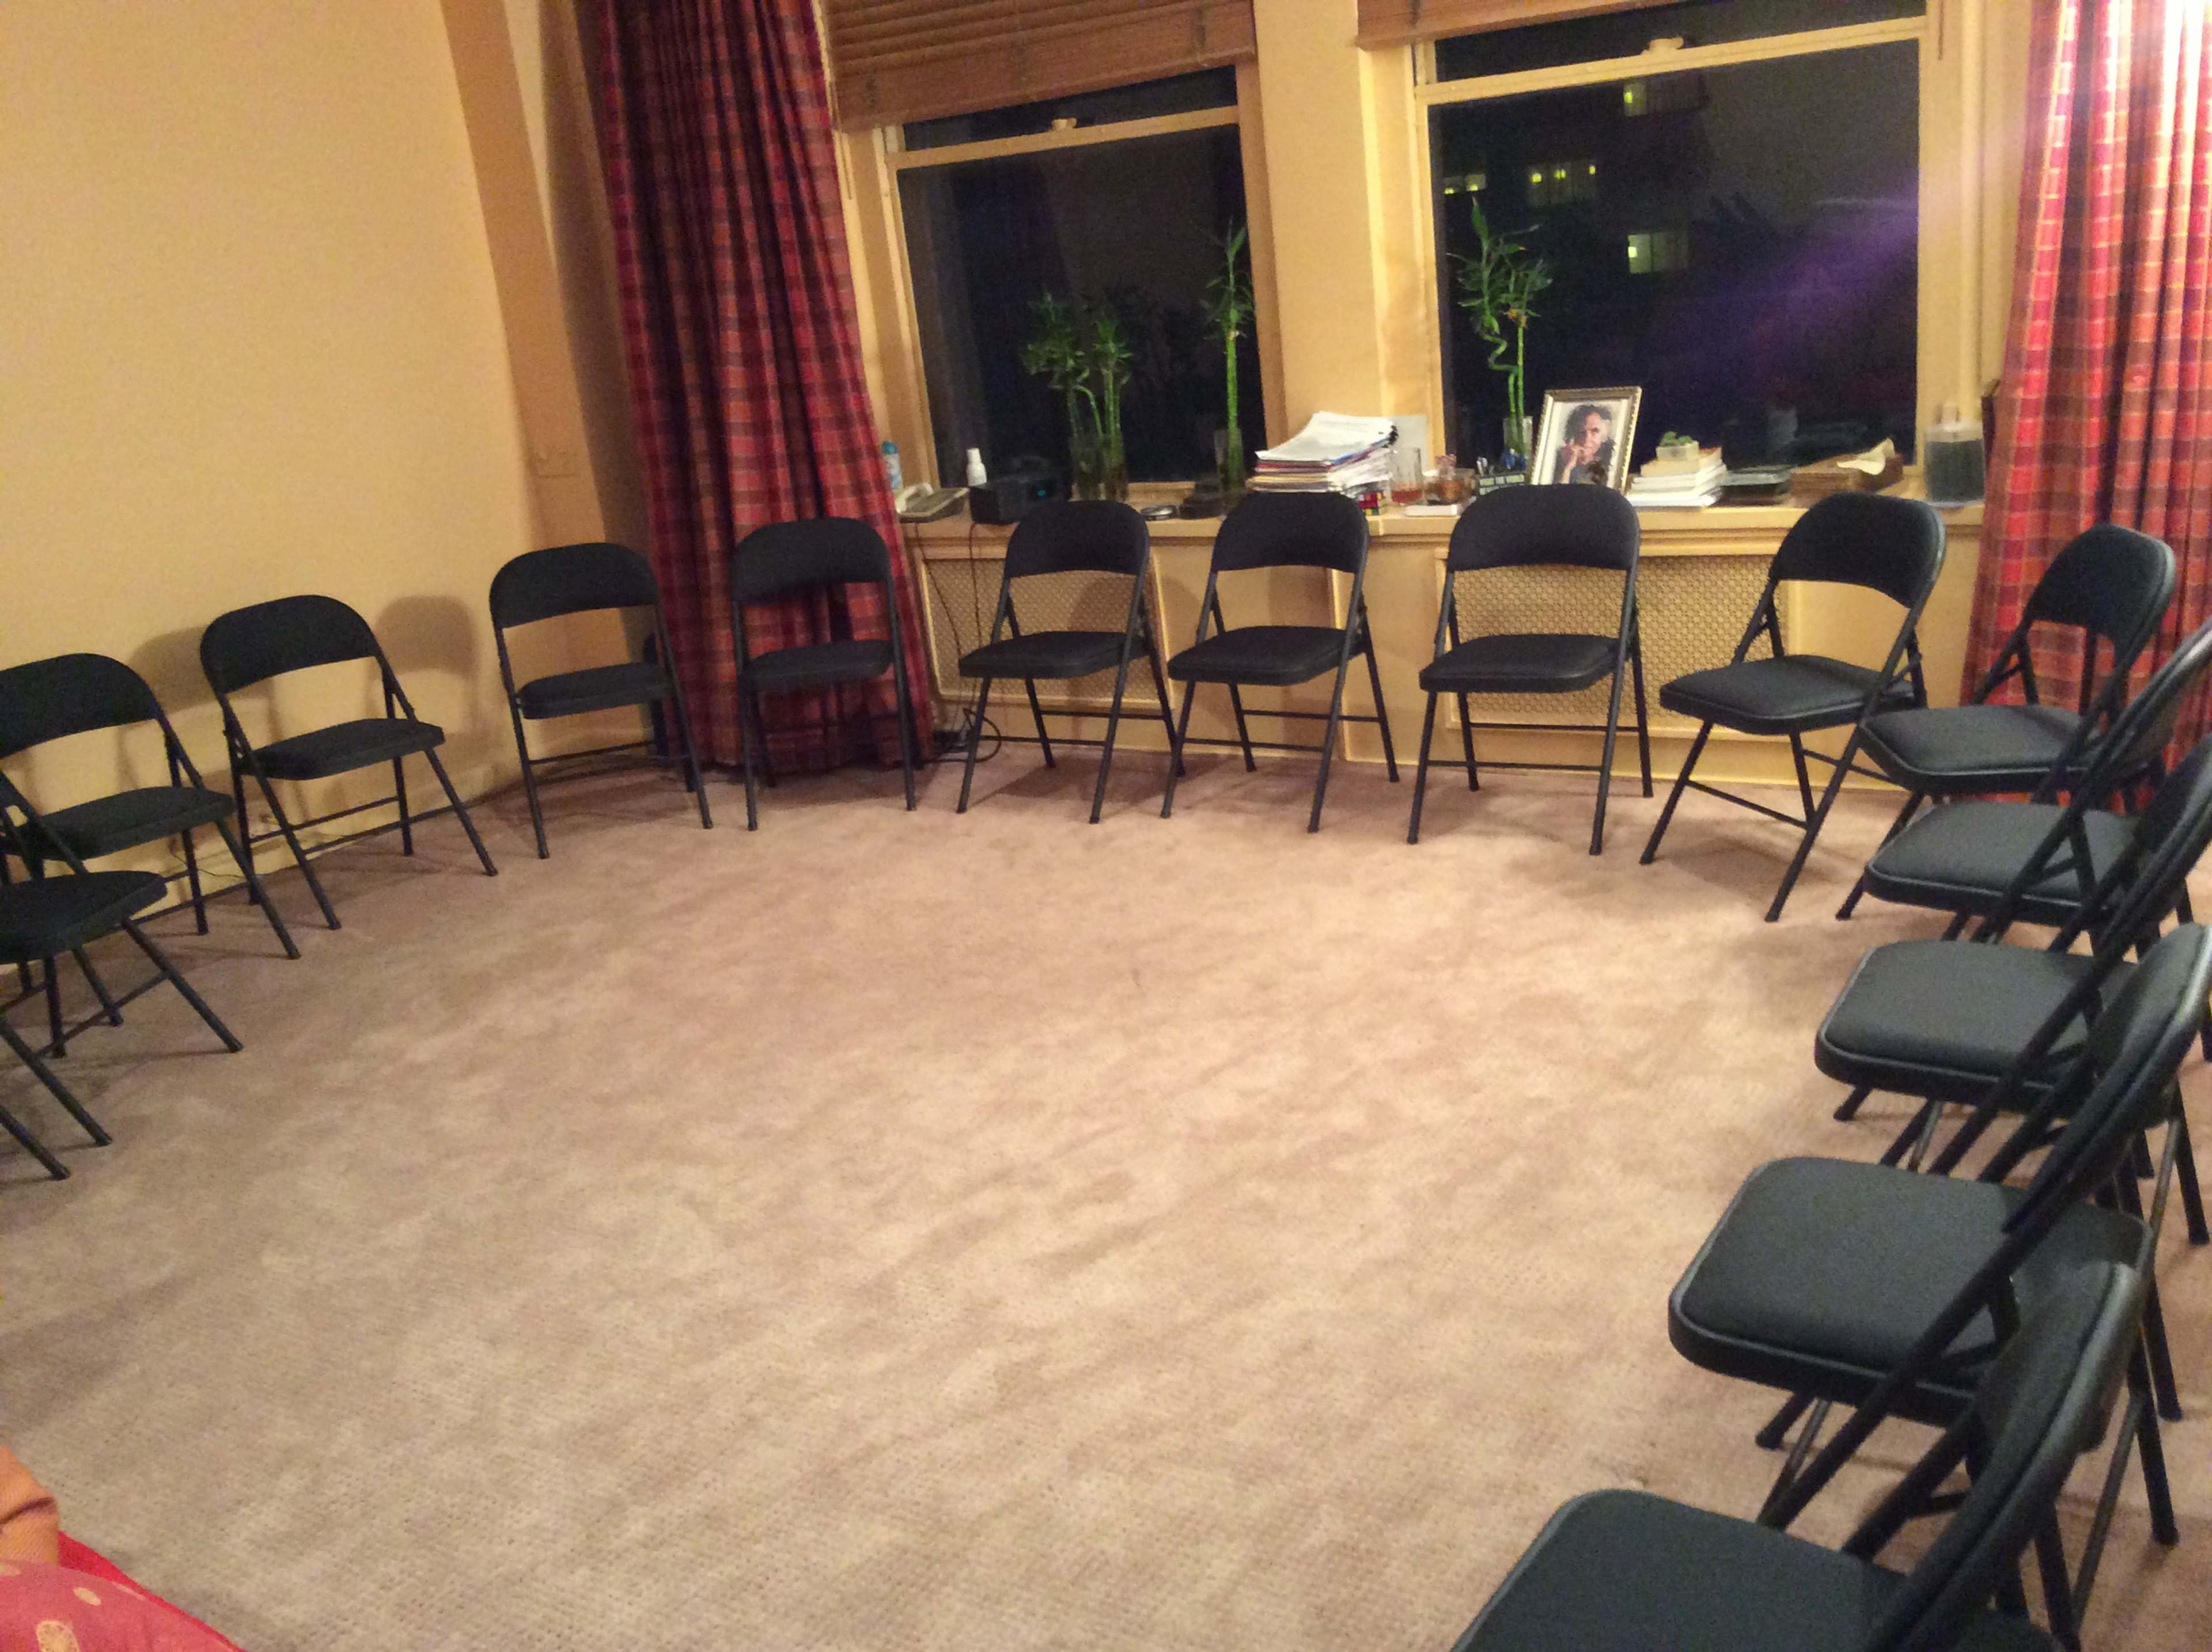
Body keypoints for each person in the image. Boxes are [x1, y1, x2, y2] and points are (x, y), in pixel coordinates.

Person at [1551, 403, 1616, 486]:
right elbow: (1558, 494)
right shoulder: (1558, 458)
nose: (1587, 439)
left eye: (1595, 431)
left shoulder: (1608, 463)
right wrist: (1568, 468)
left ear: (1605, 437)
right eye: (1582, 432)